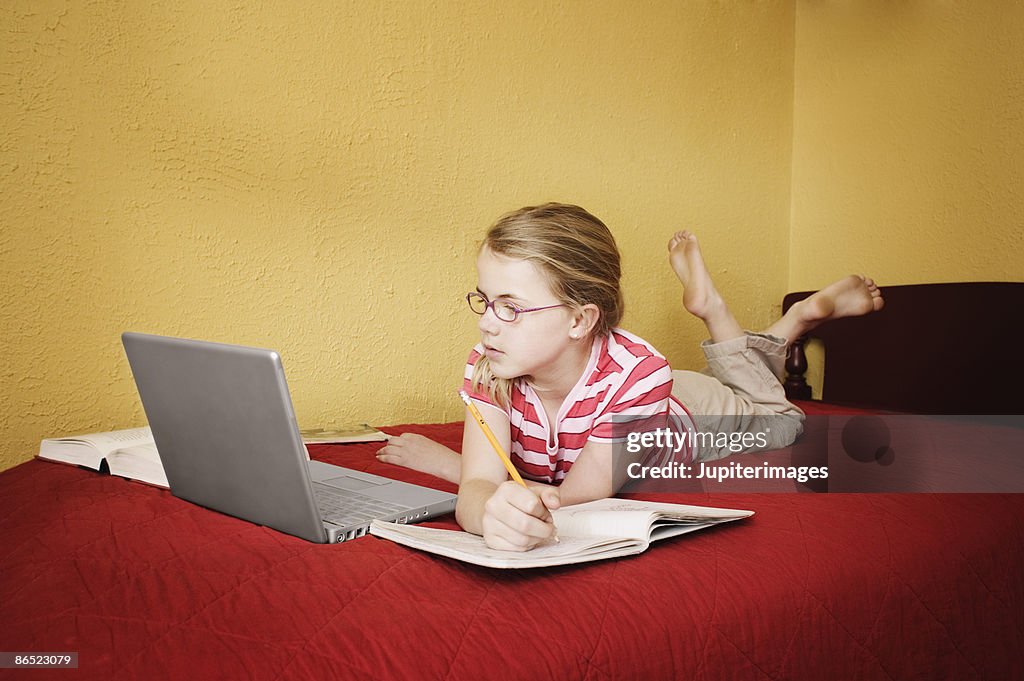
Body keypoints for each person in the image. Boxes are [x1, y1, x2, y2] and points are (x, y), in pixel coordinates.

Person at [377, 203, 884, 551]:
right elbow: (482, 489)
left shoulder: (642, 375)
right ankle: (758, 330)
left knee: (782, 419)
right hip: (641, 394)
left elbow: (573, 495)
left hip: (687, 414)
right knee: (721, 380)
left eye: (511, 307)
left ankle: (776, 320)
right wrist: (481, 502)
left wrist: (453, 467)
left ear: (580, 319)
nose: (487, 321)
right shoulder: (489, 364)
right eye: (485, 301)